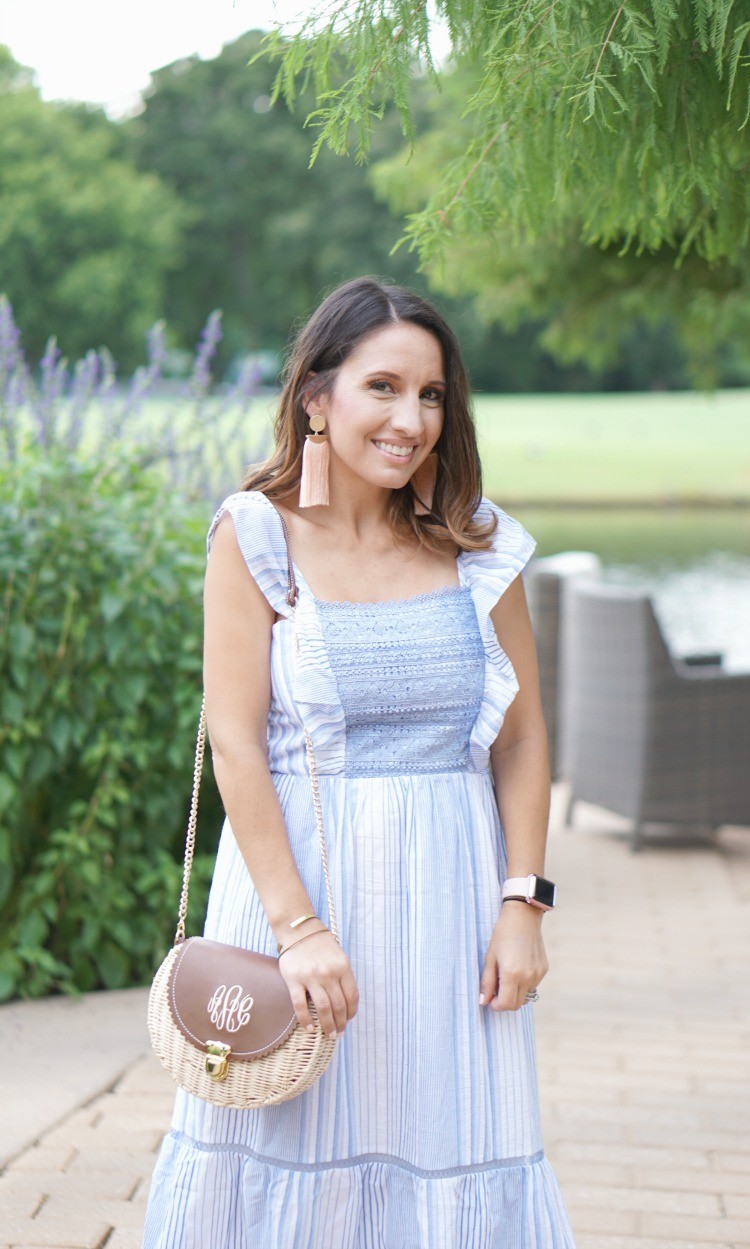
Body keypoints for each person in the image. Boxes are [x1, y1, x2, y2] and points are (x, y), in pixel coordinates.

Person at [142, 276, 577, 1248]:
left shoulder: (479, 540)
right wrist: (298, 931)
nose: (411, 418)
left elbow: (522, 736)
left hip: (455, 913)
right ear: (316, 397)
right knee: (290, 1159)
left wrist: (523, 906)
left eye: (431, 396)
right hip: (298, 905)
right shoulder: (254, 535)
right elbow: (236, 741)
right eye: (383, 387)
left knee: (458, 1145)